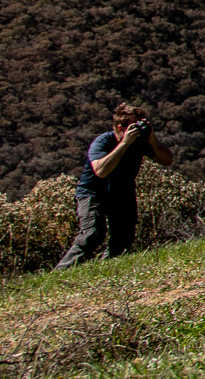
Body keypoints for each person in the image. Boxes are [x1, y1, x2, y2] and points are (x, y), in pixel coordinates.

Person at [55, 102, 173, 268]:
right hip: (93, 193)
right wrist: (124, 144)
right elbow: (100, 171)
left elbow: (167, 160)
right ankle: (61, 272)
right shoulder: (103, 141)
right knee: (92, 234)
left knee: (123, 239)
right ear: (120, 127)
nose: (139, 129)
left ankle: (107, 271)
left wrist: (152, 139)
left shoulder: (140, 142)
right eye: (134, 126)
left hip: (122, 193)